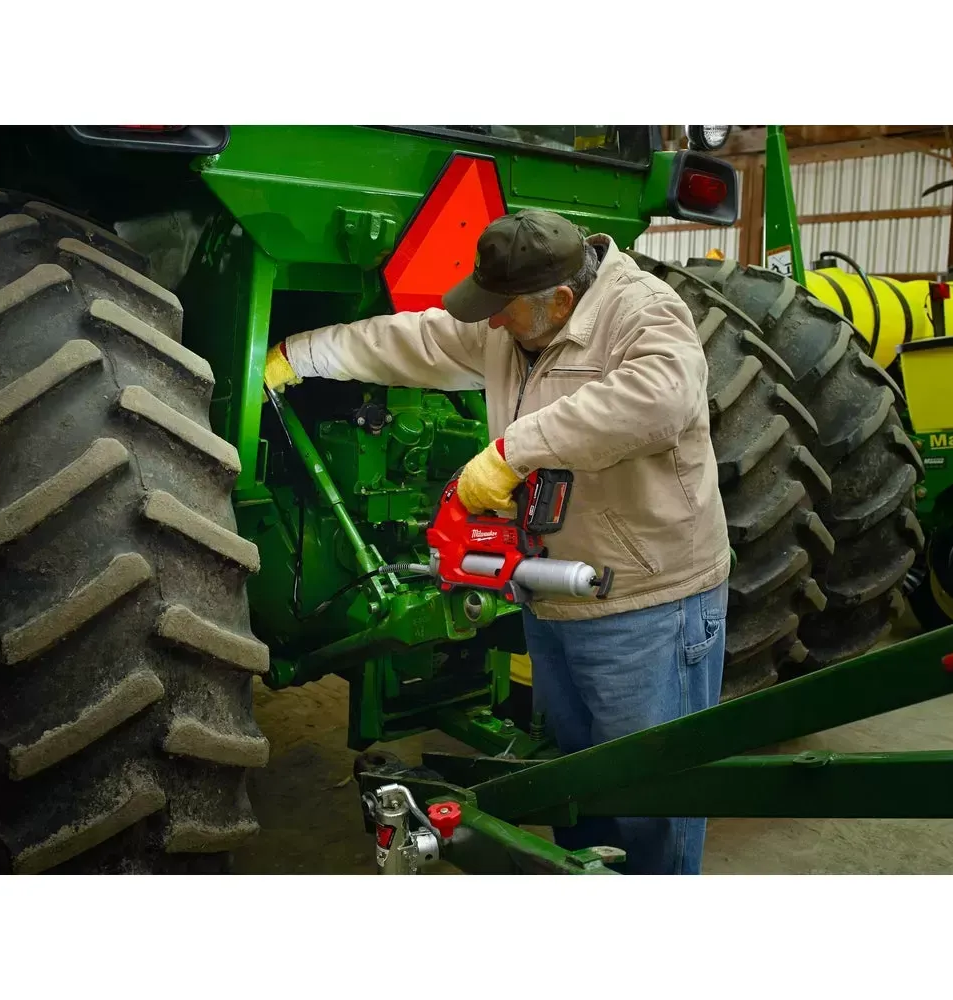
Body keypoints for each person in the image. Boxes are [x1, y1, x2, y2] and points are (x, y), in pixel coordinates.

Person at [264, 209, 729, 875]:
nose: (489, 323)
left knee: (651, 798)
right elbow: (416, 340)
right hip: (556, 594)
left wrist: (513, 452)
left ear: (560, 301)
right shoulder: (515, 324)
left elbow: (658, 401)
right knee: (580, 786)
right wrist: (300, 355)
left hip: (647, 607)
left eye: (500, 310)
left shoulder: (645, 314)